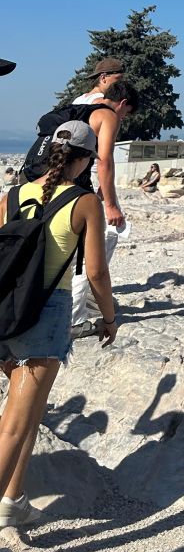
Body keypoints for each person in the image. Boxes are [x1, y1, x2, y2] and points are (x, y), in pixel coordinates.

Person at [0, 121, 117, 530]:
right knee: (14, 424)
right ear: (84, 160)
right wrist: (109, 316)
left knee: (29, 413)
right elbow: (96, 272)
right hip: (46, 312)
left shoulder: (12, 195)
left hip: (5, 310)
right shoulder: (84, 202)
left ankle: (12, 500)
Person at [70, 80, 141, 337]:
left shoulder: (80, 105)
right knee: (90, 252)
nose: (124, 118)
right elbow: (105, 161)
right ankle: (75, 318)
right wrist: (110, 205)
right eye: (126, 113)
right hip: (79, 190)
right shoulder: (108, 115)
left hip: (55, 184)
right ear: (122, 103)